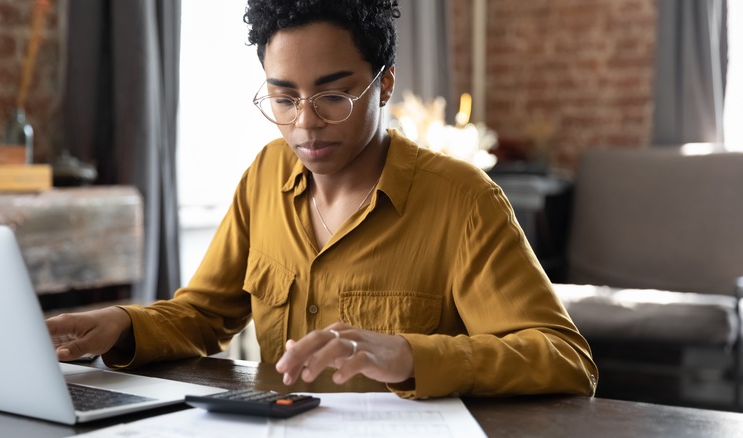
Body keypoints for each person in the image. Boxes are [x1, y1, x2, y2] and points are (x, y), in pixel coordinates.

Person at [47, 0, 598, 399]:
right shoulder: (265, 173)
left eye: (333, 95)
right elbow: (204, 315)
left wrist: (412, 356)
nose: (305, 123)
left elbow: (565, 358)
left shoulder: (464, 202)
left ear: (384, 86)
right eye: (284, 97)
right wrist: (121, 323)